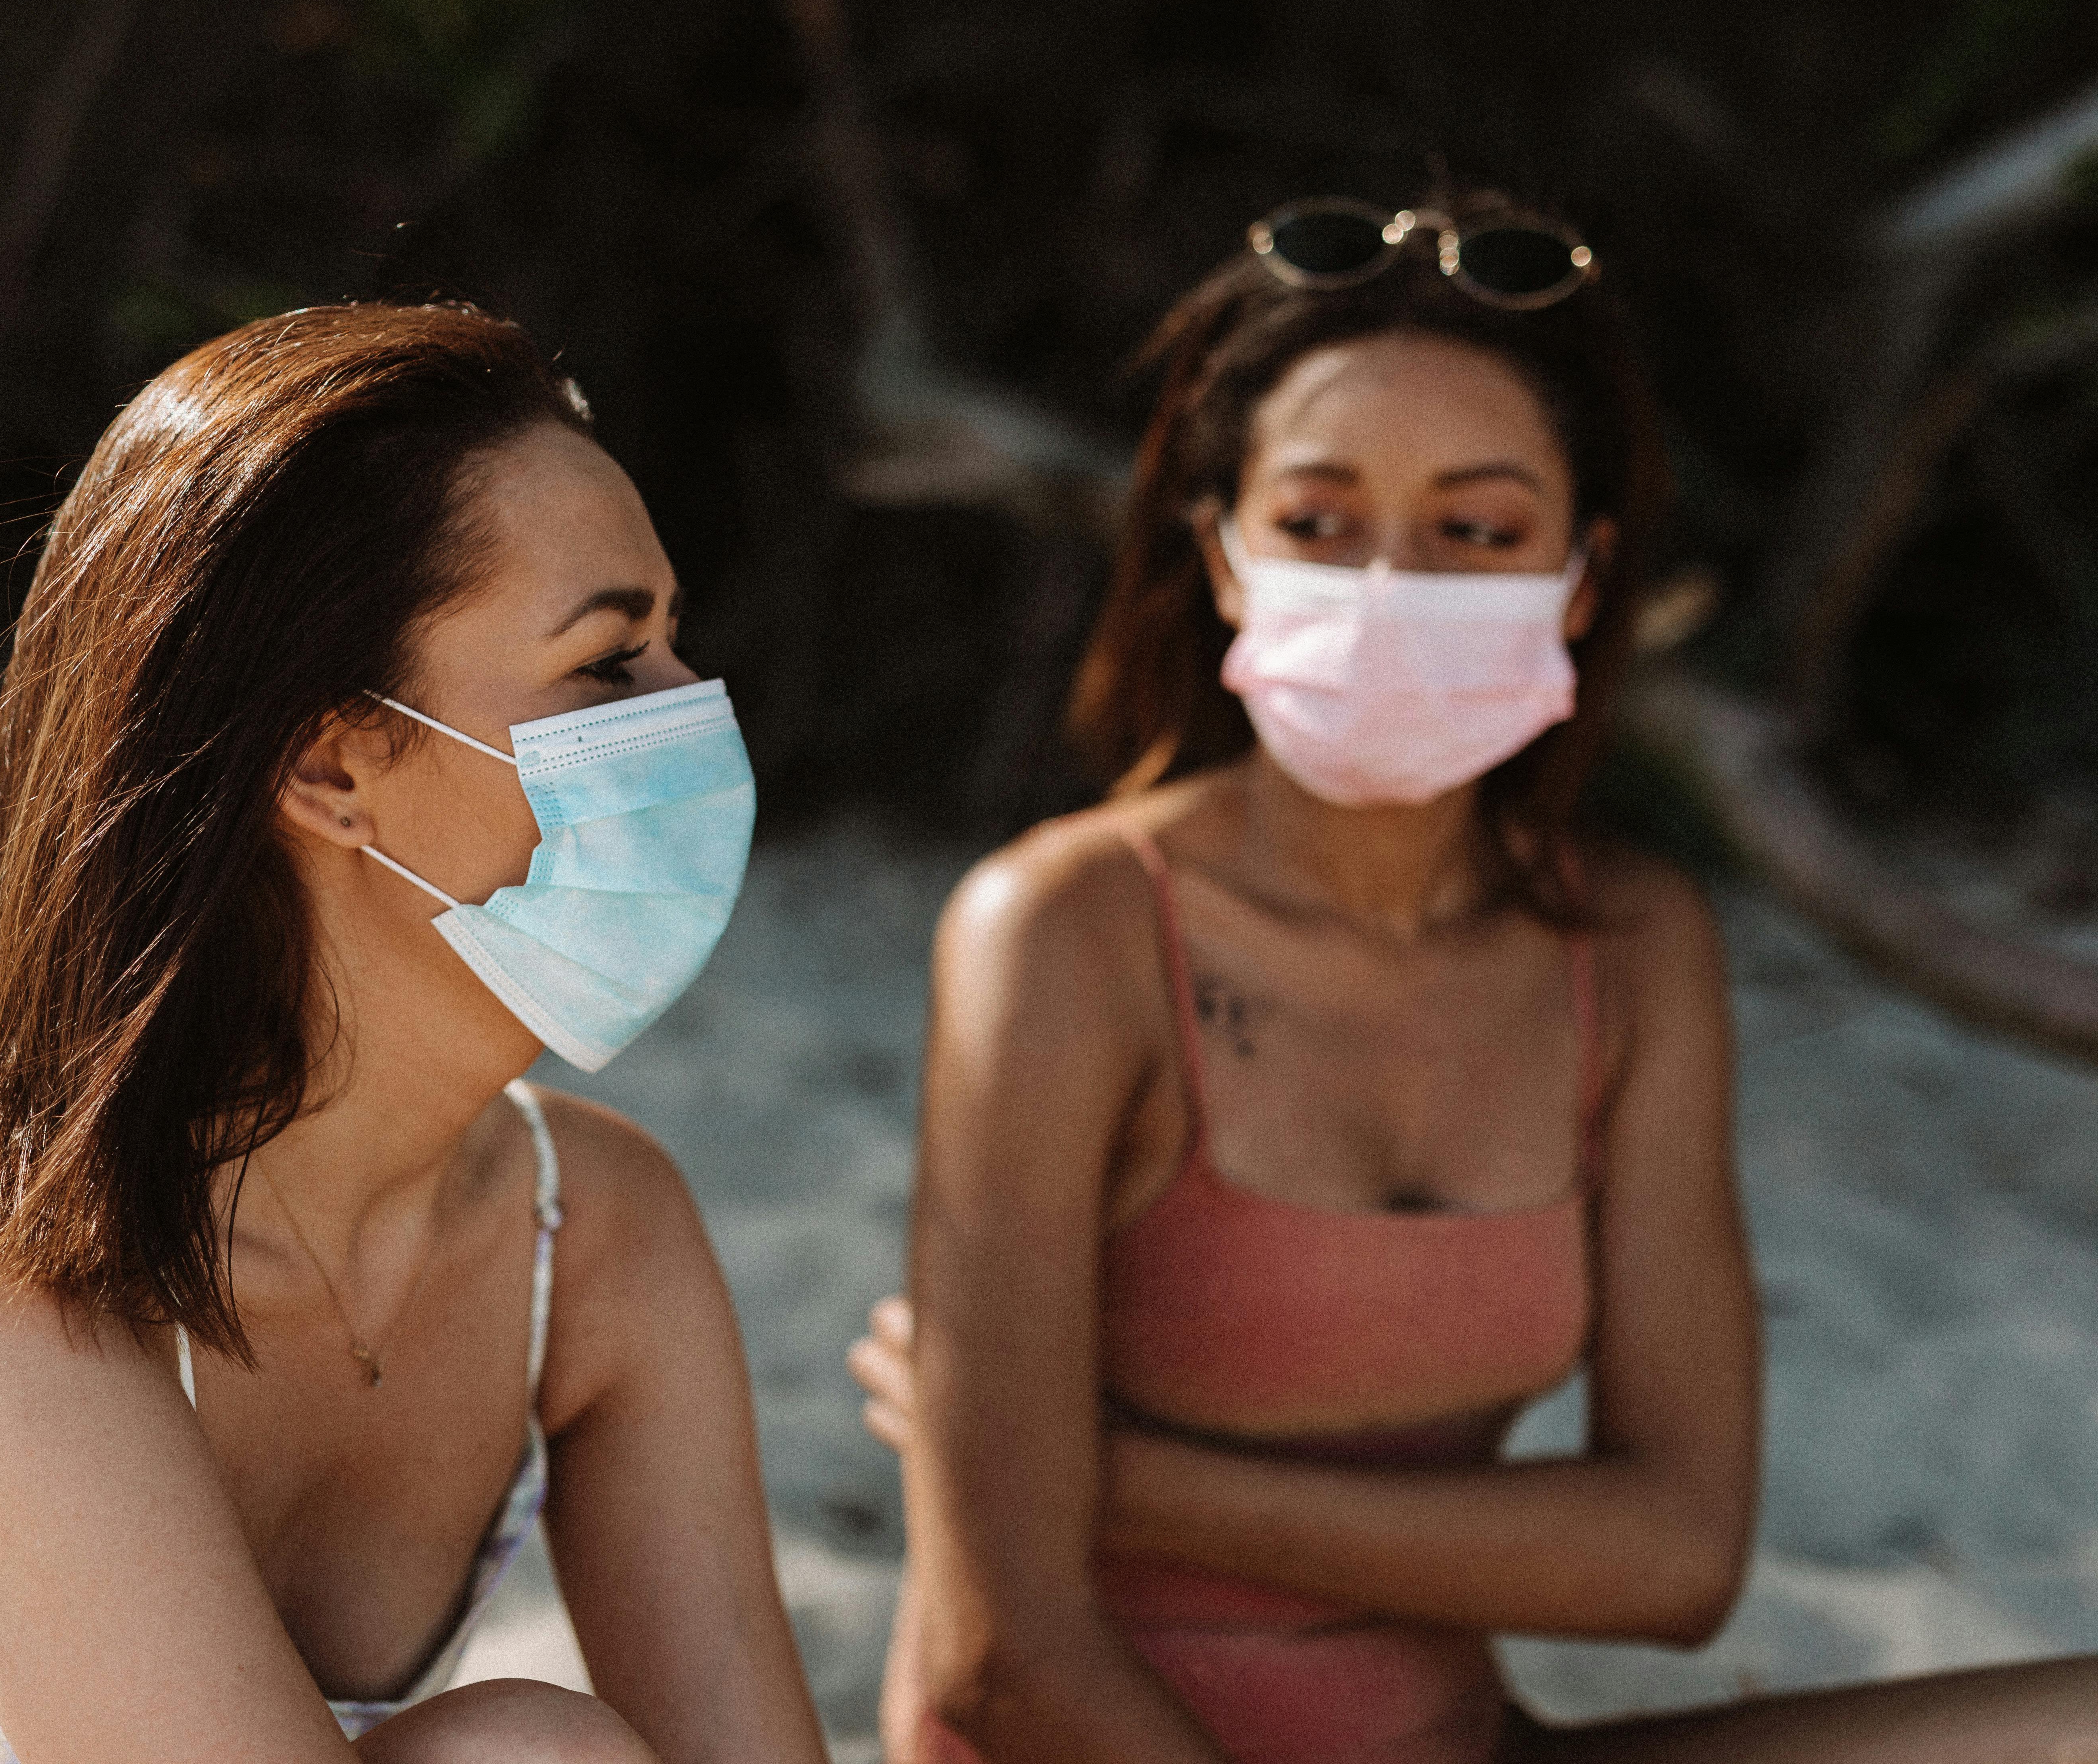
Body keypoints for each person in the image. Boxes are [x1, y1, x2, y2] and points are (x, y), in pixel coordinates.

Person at [844, 194, 2098, 1763]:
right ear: (1222, 556)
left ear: (1581, 580)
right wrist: (1025, 1491)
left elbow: (1677, 1554)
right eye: (1317, 521)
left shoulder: (1632, 953)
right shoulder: (1064, 930)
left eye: (1475, 529)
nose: (1387, 583)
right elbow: (994, 1660)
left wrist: (1112, 1476)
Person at [0, 302, 827, 1764]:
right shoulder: (9, 1278)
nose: (695, 712)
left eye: (673, 641)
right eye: (608, 664)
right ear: (333, 765)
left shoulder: (594, 1235)